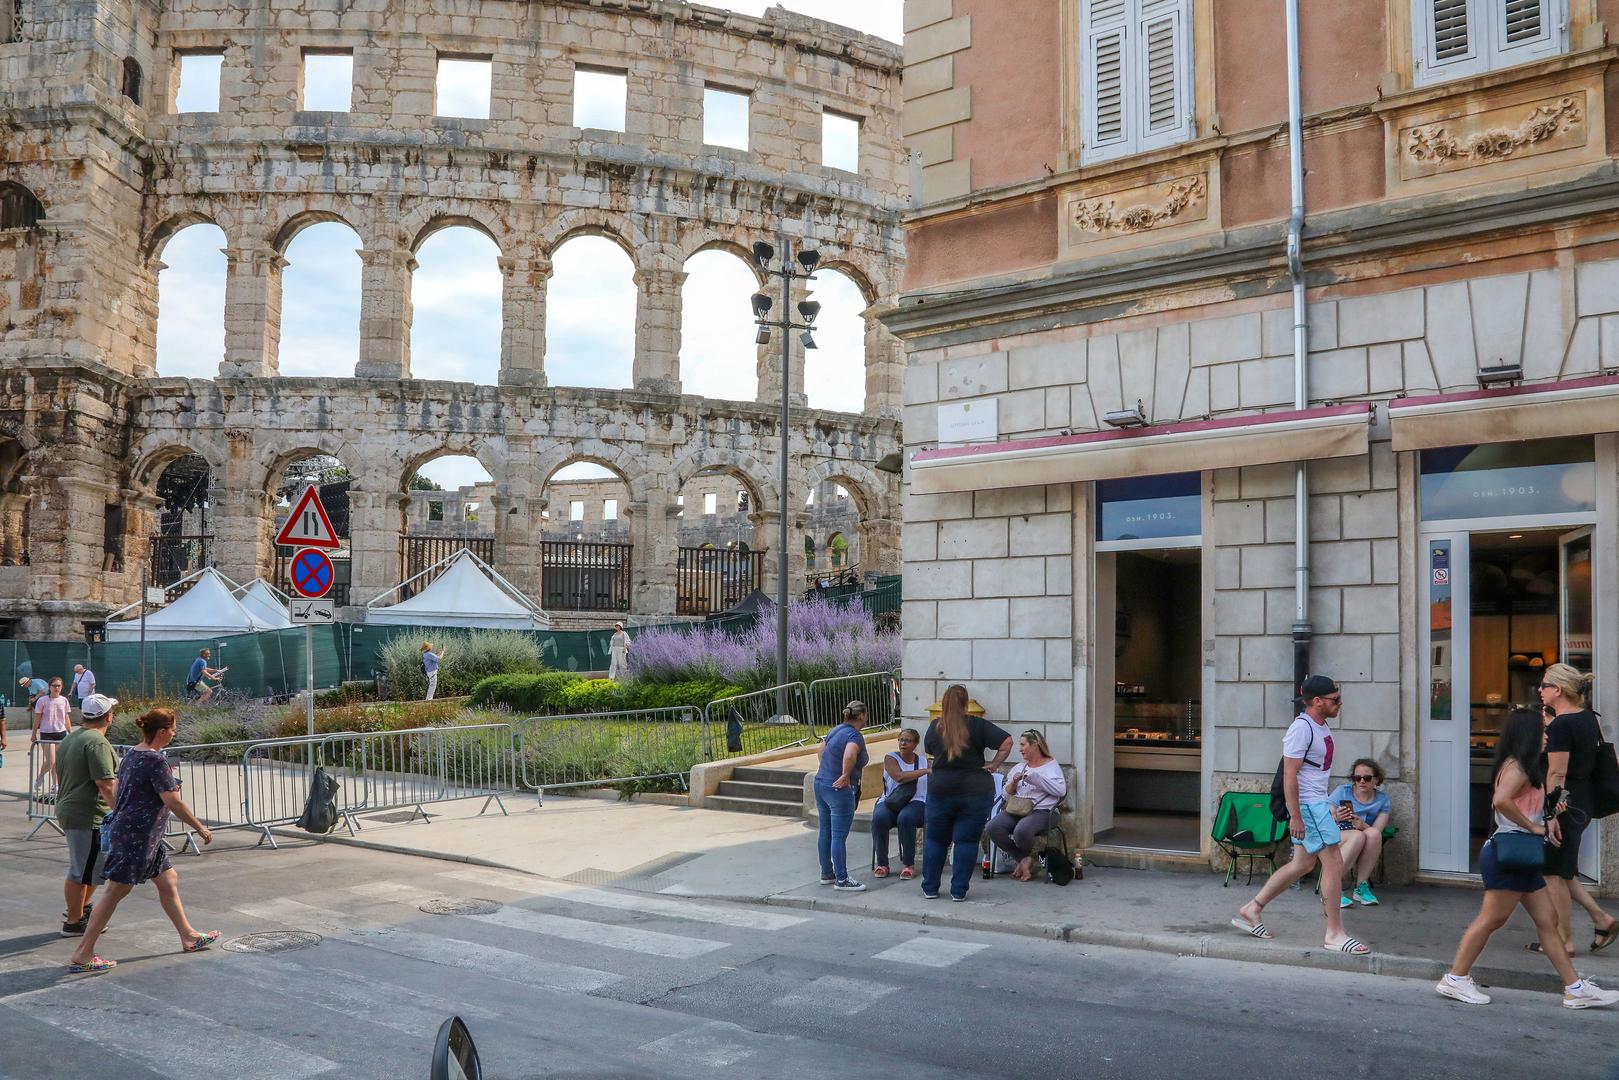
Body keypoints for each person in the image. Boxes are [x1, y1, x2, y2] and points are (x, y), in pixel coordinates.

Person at [1436, 708, 1619, 1008]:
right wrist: (1535, 826)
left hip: (1523, 855)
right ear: (1528, 734)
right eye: (1542, 731)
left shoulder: (1527, 765)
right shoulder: (1518, 766)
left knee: (1548, 921)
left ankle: (1575, 988)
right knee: (1491, 919)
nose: (1547, 735)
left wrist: (1550, 817)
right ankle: (1455, 979)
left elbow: (1524, 803)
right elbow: (1501, 801)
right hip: (1510, 854)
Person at [67, 707, 218, 974]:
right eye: (172, 729)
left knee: (168, 880)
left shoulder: (133, 753)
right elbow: (172, 801)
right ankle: (83, 952)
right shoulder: (155, 761)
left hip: (143, 835)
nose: (174, 733)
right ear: (161, 731)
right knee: (115, 891)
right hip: (137, 836)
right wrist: (200, 828)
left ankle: (188, 936)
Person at [1233, 675, 1369, 954]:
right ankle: (1334, 934)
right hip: (1309, 807)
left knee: (1303, 865)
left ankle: (1252, 908)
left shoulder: (1320, 726)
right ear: (1317, 702)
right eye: (1334, 699)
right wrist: (1295, 816)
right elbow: (1289, 775)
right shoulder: (1301, 728)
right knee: (1333, 864)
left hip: (1314, 804)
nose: (1340, 703)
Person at [1535, 664, 1619, 957]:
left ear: (1558, 690)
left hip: (1565, 804)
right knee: (1564, 868)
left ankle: (1564, 941)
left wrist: (1550, 815)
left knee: (1552, 872)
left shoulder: (1561, 725)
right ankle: (1602, 919)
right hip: (1583, 799)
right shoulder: (1588, 719)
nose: (1540, 690)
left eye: (1544, 685)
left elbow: (1556, 774)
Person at [921, 684, 1012, 902]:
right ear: (966, 703)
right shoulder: (978, 725)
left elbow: (931, 753)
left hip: (941, 789)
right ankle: (958, 891)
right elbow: (1007, 741)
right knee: (966, 842)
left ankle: (930, 888)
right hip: (974, 790)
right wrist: (993, 764)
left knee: (935, 840)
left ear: (943, 704)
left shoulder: (935, 727)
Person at [55, 693, 119, 936]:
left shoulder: (74, 738)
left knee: (91, 868)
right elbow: (105, 783)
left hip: (75, 810)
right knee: (82, 869)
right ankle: (74, 920)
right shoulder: (97, 742)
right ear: (109, 717)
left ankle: (79, 910)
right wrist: (120, 812)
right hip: (87, 813)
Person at [986, 729, 1068, 882]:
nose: (1020, 749)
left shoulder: (1051, 766)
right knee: (992, 827)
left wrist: (1035, 778)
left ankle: (1024, 863)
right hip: (1018, 810)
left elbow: (1061, 790)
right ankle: (1024, 860)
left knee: (1022, 830)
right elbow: (1005, 795)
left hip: (1044, 812)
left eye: (1023, 745)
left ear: (1035, 745)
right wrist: (1014, 783)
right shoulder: (1019, 767)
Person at [813, 700, 870, 892]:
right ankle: (842, 879)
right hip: (839, 789)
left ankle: (827, 873)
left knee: (825, 831)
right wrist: (845, 775)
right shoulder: (855, 735)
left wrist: (826, 769)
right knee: (838, 835)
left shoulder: (836, 729)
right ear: (861, 716)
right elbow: (850, 754)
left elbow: (821, 749)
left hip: (821, 783)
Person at [1328, 757, 1392, 908]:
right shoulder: (1342, 792)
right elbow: (1325, 821)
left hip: (1361, 835)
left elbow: (1377, 831)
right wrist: (1336, 816)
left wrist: (1362, 825)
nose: (1362, 781)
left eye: (1367, 778)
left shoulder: (1382, 800)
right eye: (1357, 778)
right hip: (1336, 835)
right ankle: (1331, 887)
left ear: (1376, 780)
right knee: (1357, 836)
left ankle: (1361, 888)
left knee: (1372, 834)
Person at [871, 727, 929, 880]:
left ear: (915, 744)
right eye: (901, 739)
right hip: (891, 800)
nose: (903, 743)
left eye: (908, 740)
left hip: (917, 801)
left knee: (906, 818)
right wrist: (925, 771)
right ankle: (882, 863)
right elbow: (899, 777)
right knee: (879, 817)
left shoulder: (923, 761)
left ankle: (908, 864)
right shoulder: (890, 758)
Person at [30, 675, 71, 800]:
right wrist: (33, 734)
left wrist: (70, 731)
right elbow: (37, 718)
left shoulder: (64, 700)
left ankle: (55, 785)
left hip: (61, 733)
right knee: (51, 760)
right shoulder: (43, 701)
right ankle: (41, 776)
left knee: (57, 762)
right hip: (46, 733)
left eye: (59, 686)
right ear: (49, 687)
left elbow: (66, 717)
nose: (57, 688)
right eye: (54, 686)